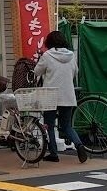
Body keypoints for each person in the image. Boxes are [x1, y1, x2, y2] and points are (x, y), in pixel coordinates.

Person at [34, 30, 88, 163]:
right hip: (68, 95)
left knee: (49, 125)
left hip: (51, 96)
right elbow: (75, 72)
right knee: (66, 126)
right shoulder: (71, 55)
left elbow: (36, 71)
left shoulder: (47, 55)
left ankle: (53, 154)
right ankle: (79, 145)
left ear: (49, 42)